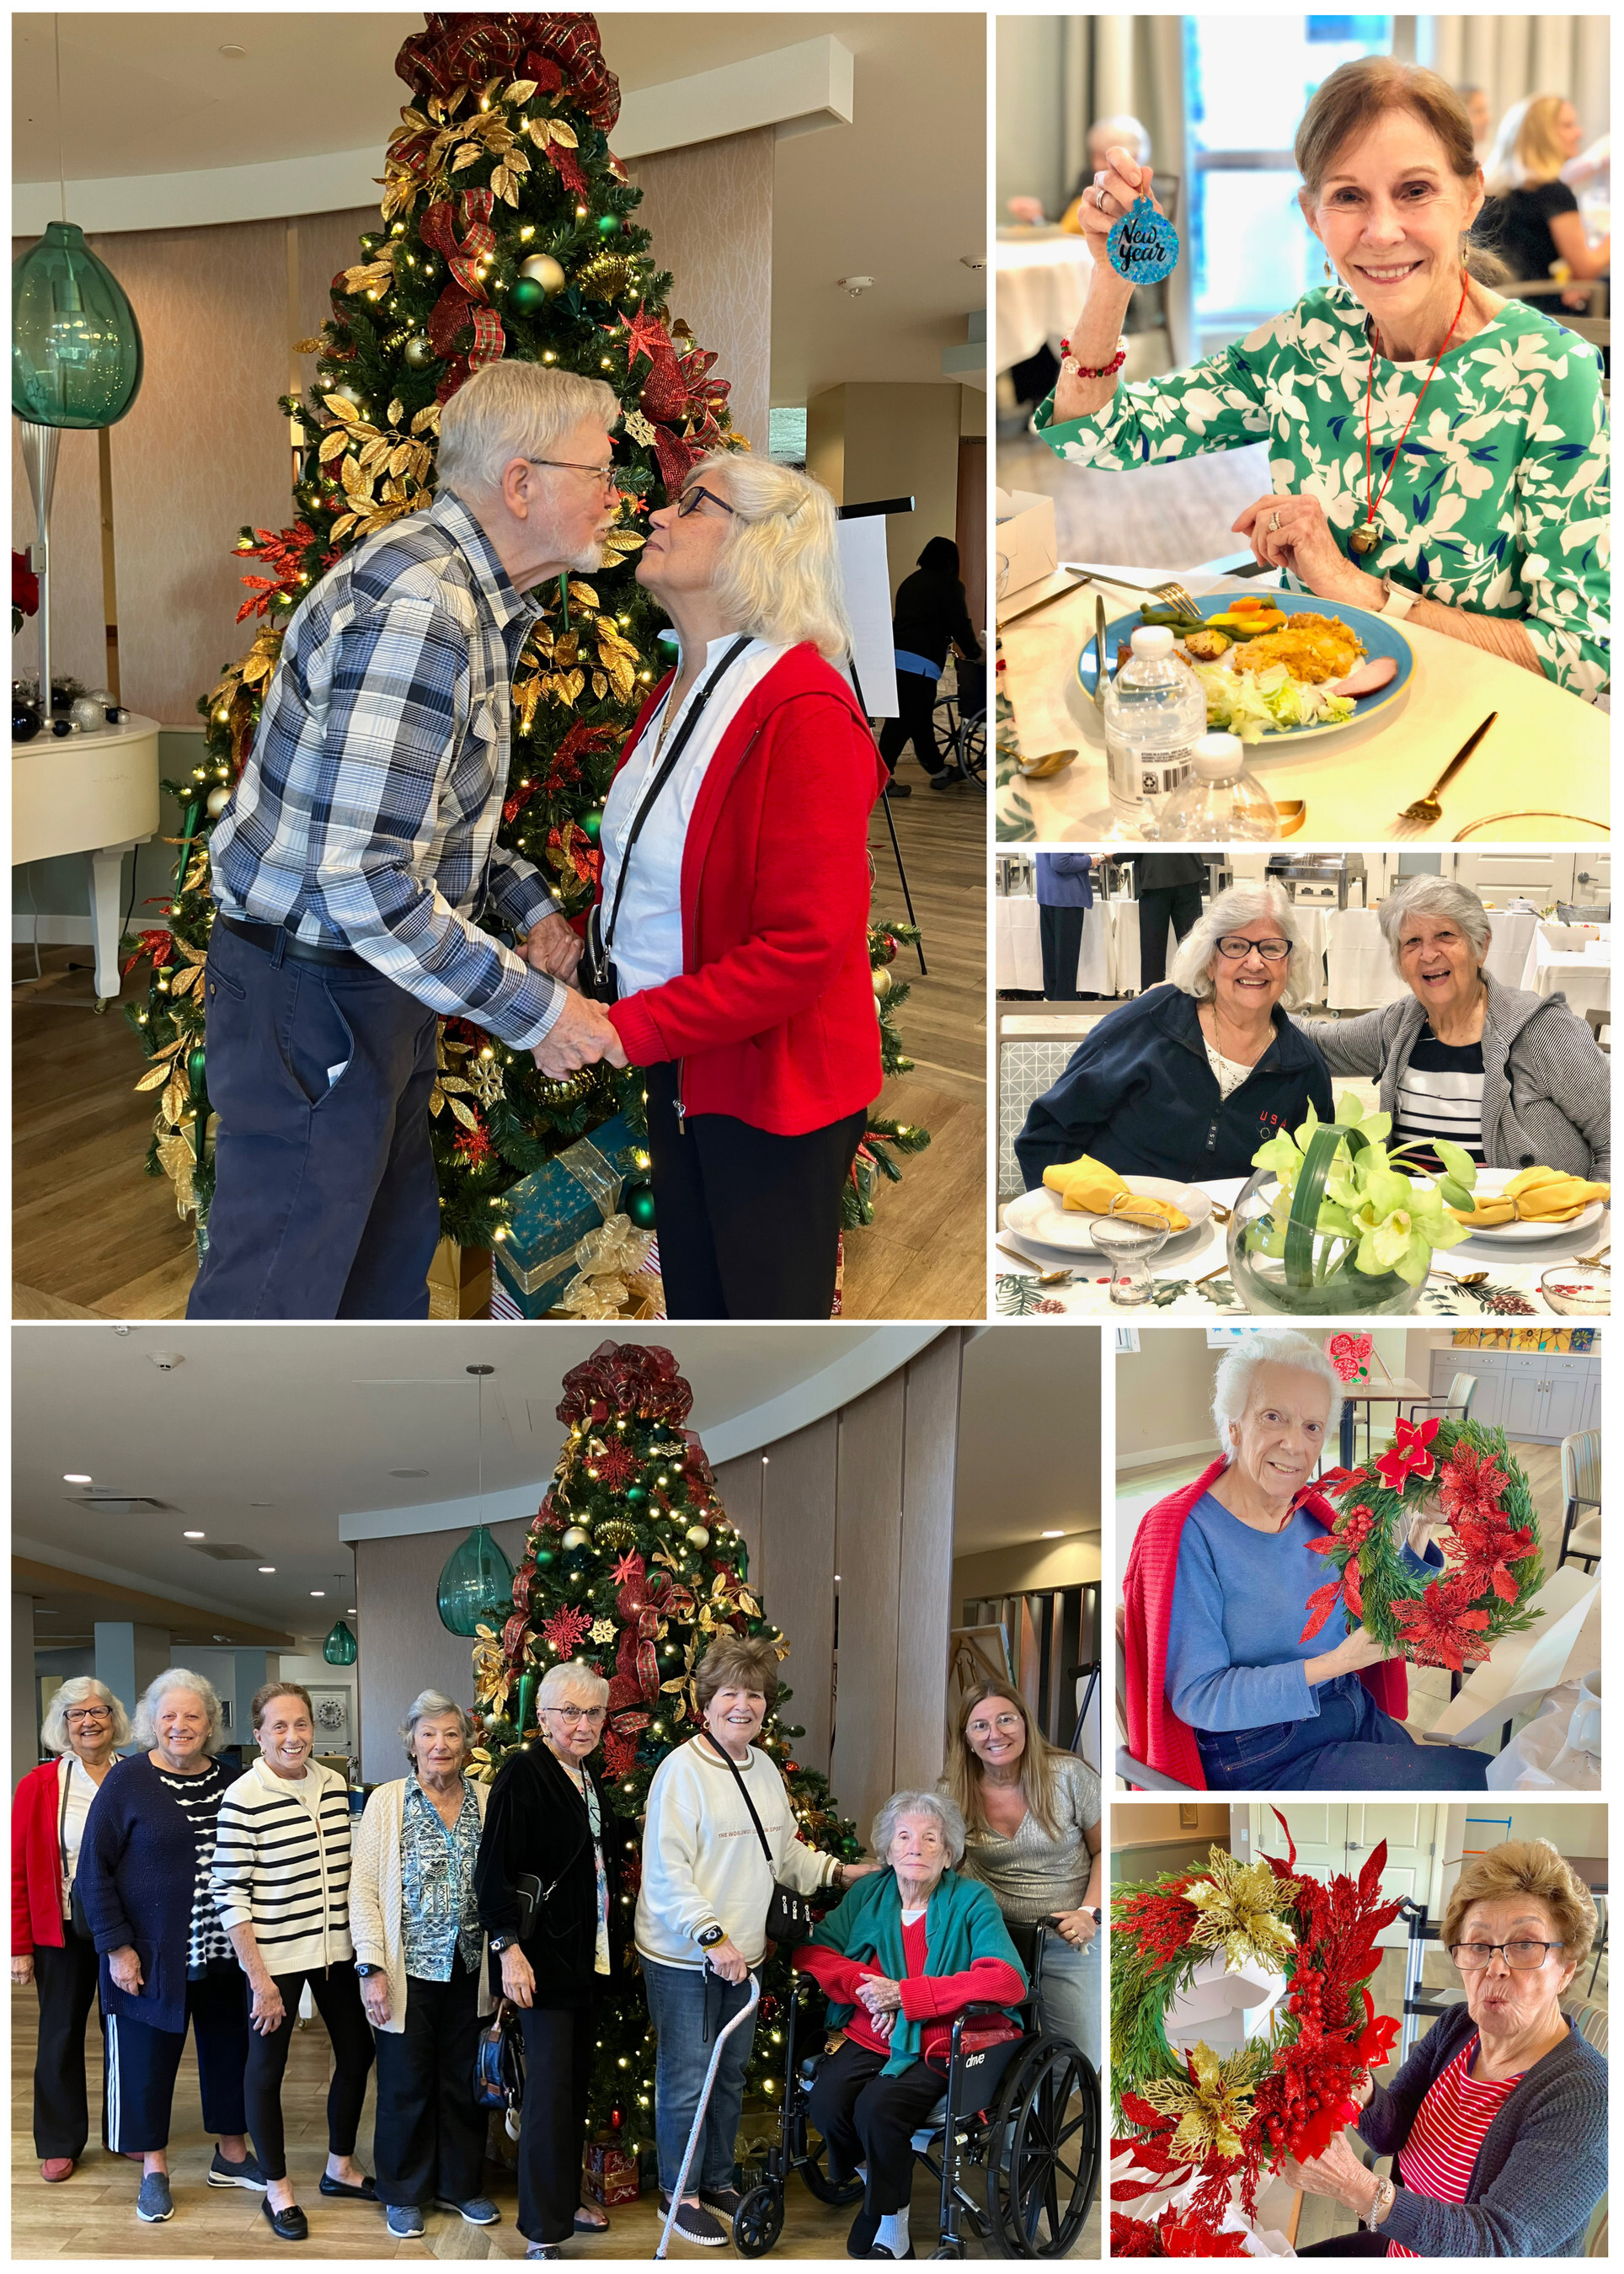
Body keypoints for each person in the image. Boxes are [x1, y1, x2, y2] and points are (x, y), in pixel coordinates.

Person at [191, 362, 624, 1320]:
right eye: (598, 470)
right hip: (318, 992)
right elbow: (369, 881)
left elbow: (421, 829)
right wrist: (543, 1013)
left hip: (352, 988)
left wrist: (534, 915)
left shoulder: (459, 592)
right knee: (281, 1296)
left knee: (377, 1272)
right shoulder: (428, 608)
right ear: (522, 483)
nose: (616, 495)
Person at [1044, 60, 1609, 700]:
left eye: (1416, 190)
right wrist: (1111, 281)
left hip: (1475, 722)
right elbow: (1098, 436)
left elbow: (1583, 659)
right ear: (1313, 215)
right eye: (1348, 196)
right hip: (1307, 710)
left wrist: (1348, 583)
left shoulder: (1553, 372)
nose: (1383, 231)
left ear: (1471, 195)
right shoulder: (1308, 339)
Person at [590, 451, 887, 1321]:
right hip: (688, 1062)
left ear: (758, 545)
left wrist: (630, 1028)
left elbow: (801, 947)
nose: (657, 515)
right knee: (700, 1306)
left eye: (692, 505)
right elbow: (659, 864)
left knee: (758, 1324)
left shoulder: (801, 706)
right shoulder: (686, 684)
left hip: (771, 1092)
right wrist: (585, 935)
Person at [1123, 1335, 1490, 1792]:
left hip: (1345, 1706)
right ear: (1234, 1425)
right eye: (1273, 1417)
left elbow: (1378, 1614)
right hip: (1263, 1752)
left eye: (1313, 1427)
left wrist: (1419, 1528)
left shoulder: (1315, 1517)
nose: (1295, 1444)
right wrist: (1335, 1663)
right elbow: (1200, 1697)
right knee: (1478, 1780)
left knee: (1492, 1773)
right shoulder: (1185, 1533)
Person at [636, 1636, 879, 2249]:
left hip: (744, 1956)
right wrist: (711, 1936)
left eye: (754, 1694)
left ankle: (717, 2180)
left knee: (730, 2073)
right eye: (729, 1694)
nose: (742, 1705)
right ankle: (679, 2192)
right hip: (685, 1955)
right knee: (688, 2074)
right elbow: (666, 1873)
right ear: (705, 1702)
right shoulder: (681, 1772)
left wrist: (835, 1873)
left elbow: (782, 1851)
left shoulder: (763, 1769)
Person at [1285, 1839, 1607, 2255]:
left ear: (1567, 1969)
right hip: (1401, 2249)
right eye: (1478, 1945)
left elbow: (1496, 2244)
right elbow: (1394, 2131)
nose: (1495, 1967)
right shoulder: (1458, 2025)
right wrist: (1361, 2089)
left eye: (1525, 1944)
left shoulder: (1588, 2097)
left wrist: (1356, 2186)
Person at [796, 1791, 1028, 2262]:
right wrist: (864, 1985)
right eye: (904, 1837)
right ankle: (879, 2189)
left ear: (948, 1853)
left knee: (878, 2109)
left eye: (930, 1838)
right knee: (826, 2100)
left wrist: (906, 1996)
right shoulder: (869, 1894)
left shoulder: (970, 1900)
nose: (916, 1848)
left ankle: (889, 2222)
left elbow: (1006, 1980)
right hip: (872, 2034)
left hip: (943, 2043)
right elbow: (813, 1950)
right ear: (887, 1850)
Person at [75, 1670, 264, 2224]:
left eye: (193, 1716)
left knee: (230, 2054)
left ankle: (231, 2155)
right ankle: (153, 2168)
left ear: (210, 1725)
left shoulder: (234, 1780)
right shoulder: (127, 1782)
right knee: (146, 2064)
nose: (180, 1726)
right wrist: (117, 1948)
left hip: (225, 1955)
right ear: (152, 1723)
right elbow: (93, 1872)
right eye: (169, 1716)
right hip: (150, 1956)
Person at [1014, 881, 1333, 1188]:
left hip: (1226, 1236)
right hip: (1112, 1225)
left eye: (1271, 948)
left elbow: (1309, 1186)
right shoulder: (1146, 1024)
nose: (1255, 962)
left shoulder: (1304, 1071)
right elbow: (1047, 1135)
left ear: (1289, 964)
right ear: (1210, 962)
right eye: (1235, 946)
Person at [1292, 876, 1610, 1177]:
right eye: (1412, 942)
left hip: (1533, 1229)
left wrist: (1601, 1223)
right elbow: (1314, 1042)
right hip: (1418, 1228)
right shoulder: (1398, 1027)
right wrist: (1250, 995)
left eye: (1445, 935)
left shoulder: (1544, 1031)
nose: (1429, 954)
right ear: (1400, 964)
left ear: (1480, 947)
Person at [210, 1682, 375, 2239]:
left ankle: (340, 2167)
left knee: (357, 2055)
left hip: (335, 1952)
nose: (292, 1736)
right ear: (258, 1735)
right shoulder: (244, 1796)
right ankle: (277, 2190)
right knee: (265, 2073)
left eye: (300, 1724)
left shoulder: (333, 1785)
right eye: (279, 1727)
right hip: (274, 1959)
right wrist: (260, 1980)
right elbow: (230, 1893)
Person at [473, 1664, 622, 2262]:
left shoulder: (586, 1773)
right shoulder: (523, 1773)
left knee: (573, 2091)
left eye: (594, 1714)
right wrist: (509, 1952)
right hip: (541, 1965)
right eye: (570, 1713)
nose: (582, 1725)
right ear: (543, 1717)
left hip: (586, 1963)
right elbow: (492, 1877)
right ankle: (541, 2228)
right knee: (548, 2098)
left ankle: (564, 2203)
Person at [351, 1691, 496, 2240]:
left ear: (466, 1743)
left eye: (451, 1734)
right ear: (411, 1743)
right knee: (405, 2083)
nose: (440, 1745)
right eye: (428, 1735)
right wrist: (372, 1966)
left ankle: (461, 2185)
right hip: (404, 1969)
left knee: (464, 2081)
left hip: (469, 1967)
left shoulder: (486, 1797)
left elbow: (501, 1885)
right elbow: (363, 1889)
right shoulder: (387, 1802)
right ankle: (404, 2191)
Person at [939, 1684, 1099, 2065]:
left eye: (1006, 1719)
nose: (995, 1734)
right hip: (994, 1940)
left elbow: (1102, 1849)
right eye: (980, 1725)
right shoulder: (952, 1791)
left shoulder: (1067, 1775)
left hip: (1069, 1935)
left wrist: (1088, 1912)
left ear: (1025, 1723)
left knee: (1077, 2057)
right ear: (967, 1738)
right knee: (995, 2055)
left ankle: (1050, 2121)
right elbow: (944, 1866)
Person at [11, 1678, 130, 2181]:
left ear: (114, 1719)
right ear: (62, 1725)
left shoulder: (140, 1776)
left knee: (124, 2033)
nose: (88, 1722)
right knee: (59, 2034)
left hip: (126, 1931)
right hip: (59, 1930)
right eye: (75, 1714)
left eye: (98, 1711)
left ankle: (128, 2131)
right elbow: (18, 1868)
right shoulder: (38, 1786)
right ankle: (60, 2140)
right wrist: (18, 1946)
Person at [875, 537, 983, 795]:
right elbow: (960, 624)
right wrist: (976, 653)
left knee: (918, 721)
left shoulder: (910, 582)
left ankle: (938, 771)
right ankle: (879, 781)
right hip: (921, 664)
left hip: (896, 658)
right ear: (951, 561)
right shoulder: (949, 585)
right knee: (900, 726)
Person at [1480, 97, 1611, 309]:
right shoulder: (1551, 191)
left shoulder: (1492, 189)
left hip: (1493, 302)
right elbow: (1586, 269)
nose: (1580, 133)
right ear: (1543, 135)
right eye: (1568, 126)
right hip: (1530, 308)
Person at [1129, 853, 1207, 991]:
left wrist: (1115, 857)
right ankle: (1198, 999)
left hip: (1154, 878)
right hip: (1189, 874)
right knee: (1193, 947)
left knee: (1152, 950)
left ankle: (1153, 1002)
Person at [1034, 853, 1095, 1000]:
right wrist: (1091, 860)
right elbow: (1061, 862)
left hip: (1048, 893)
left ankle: (1054, 1003)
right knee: (1065, 963)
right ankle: (1066, 1007)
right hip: (1066, 896)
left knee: (1052, 961)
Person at [1456, 83, 1493, 166]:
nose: (1487, 118)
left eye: (1485, 110)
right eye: (1478, 111)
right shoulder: (1455, 164)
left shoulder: (1477, 159)